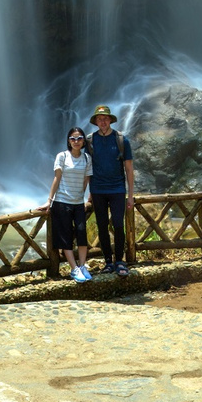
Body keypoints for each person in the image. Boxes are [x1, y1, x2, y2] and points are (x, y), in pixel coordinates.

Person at [85, 104, 134, 275]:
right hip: (98, 190)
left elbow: (129, 169)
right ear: (96, 121)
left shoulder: (121, 140)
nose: (103, 121)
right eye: (100, 119)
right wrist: (88, 193)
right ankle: (108, 262)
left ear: (110, 120)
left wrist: (130, 196)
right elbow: (88, 168)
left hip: (117, 189)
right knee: (102, 226)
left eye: (105, 118)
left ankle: (119, 261)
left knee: (119, 225)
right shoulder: (90, 141)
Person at [47, 126, 94, 282]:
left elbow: (87, 180)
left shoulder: (87, 158)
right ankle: (74, 269)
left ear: (83, 141)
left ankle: (82, 266)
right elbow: (57, 178)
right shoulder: (62, 156)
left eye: (79, 138)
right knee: (65, 236)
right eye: (73, 138)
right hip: (62, 202)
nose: (76, 141)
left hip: (78, 202)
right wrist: (49, 200)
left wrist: (86, 197)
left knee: (81, 233)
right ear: (68, 141)